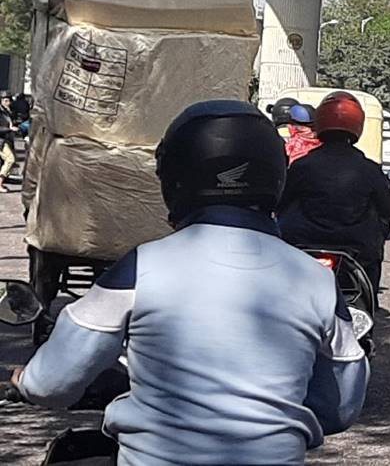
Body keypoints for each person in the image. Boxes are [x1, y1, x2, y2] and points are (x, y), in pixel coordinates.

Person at [7, 100, 368, 463]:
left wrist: (25, 380)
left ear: (175, 179)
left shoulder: (140, 268)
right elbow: (340, 408)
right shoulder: (316, 279)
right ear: (276, 176)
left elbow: (52, 383)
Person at [278, 92, 390, 292]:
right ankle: (370, 300)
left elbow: (282, 202)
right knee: (376, 247)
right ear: (357, 126)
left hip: (302, 242)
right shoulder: (369, 169)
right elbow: (387, 209)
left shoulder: (301, 166)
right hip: (357, 247)